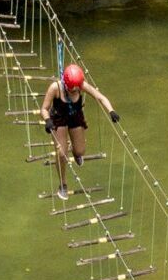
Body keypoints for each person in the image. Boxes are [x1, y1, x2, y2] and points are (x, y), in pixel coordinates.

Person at [39, 63, 118, 200]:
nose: (75, 91)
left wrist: (111, 111)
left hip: (75, 117)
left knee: (80, 151)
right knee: (61, 153)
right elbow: (44, 109)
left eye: (77, 90)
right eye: (72, 90)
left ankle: (76, 153)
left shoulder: (81, 85)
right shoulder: (55, 87)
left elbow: (100, 97)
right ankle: (62, 184)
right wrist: (47, 120)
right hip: (59, 119)